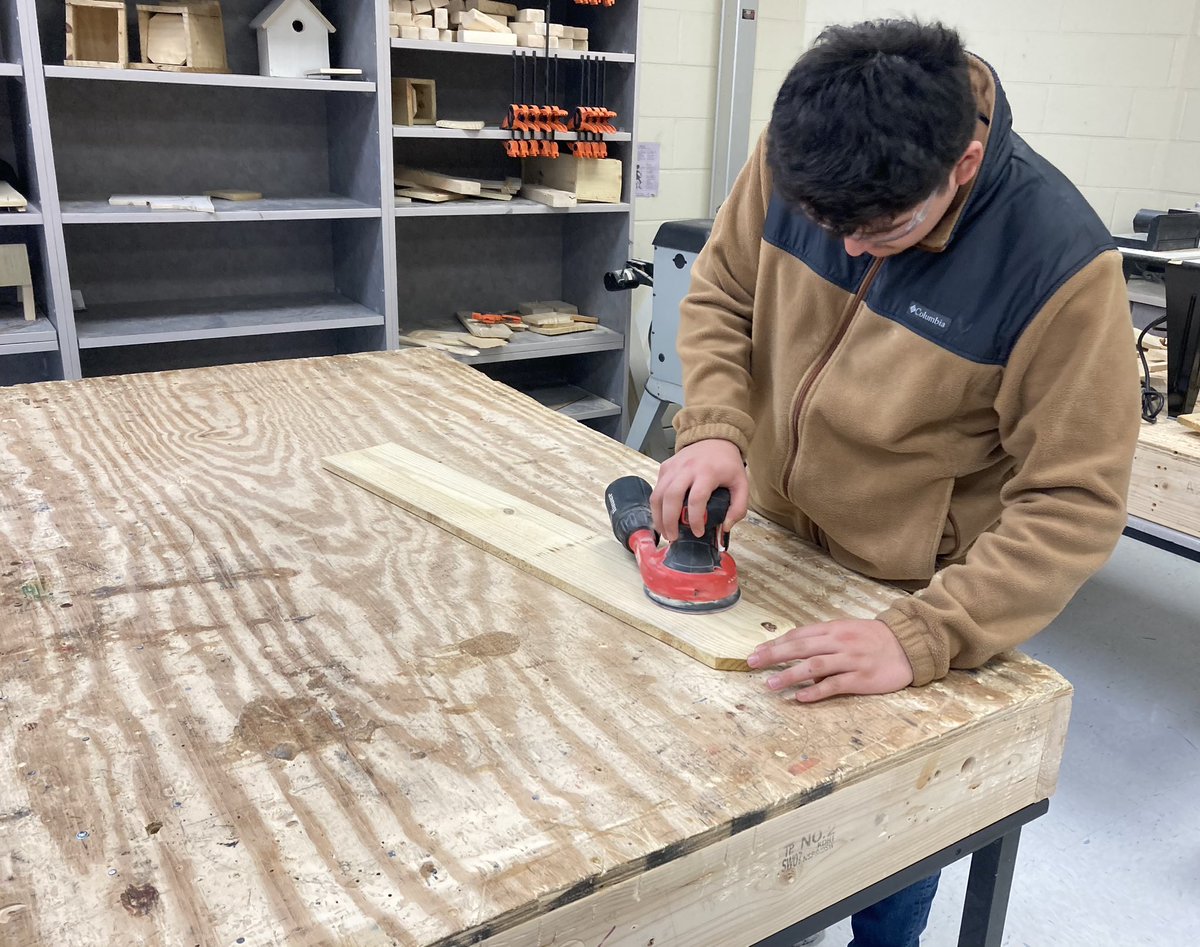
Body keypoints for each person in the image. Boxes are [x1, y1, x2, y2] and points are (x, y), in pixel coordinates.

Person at [649, 18, 1141, 947]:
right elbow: (722, 292)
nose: (851, 251)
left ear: (963, 165)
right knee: (738, 802)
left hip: (911, 589)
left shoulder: (1058, 264)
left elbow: (1073, 500)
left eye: (884, 231)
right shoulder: (803, 154)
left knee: (887, 839)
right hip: (776, 538)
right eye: (828, 228)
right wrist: (714, 427)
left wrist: (925, 634)